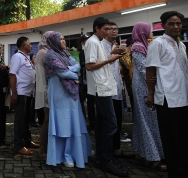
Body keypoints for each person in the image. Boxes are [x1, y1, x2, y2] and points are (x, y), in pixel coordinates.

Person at [146, 11, 188, 178]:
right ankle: (176, 172)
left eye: (178, 23)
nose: (175, 27)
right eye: (171, 24)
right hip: (167, 98)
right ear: (163, 25)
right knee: (171, 138)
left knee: (185, 136)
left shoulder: (181, 45)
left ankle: (186, 168)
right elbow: (150, 69)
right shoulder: (157, 44)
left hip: (184, 97)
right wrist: (150, 94)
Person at [85, 17, 127, 177]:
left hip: (104, 88)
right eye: (106, 29)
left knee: (104, 124)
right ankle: (106, 160)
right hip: (99, 89)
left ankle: (102, 157)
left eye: (111, 29)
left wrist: (112, 54)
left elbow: (99, 59)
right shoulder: (93, 42)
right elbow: (89, 66)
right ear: (97, 28)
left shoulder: (98, 42)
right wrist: (110, 59)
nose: (109, 32)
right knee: (110, 124)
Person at [44, 31, 92, 168]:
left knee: (73, 121)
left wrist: (71, 70)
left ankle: (75, 153)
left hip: (71, 94)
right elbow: (63, 73)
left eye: (64, 38)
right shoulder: (50, 55)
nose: (64, 41)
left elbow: (77, 65)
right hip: (59, 94)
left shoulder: (65, 54)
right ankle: (65, 155)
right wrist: (76, 75)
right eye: (61, 39)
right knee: (63, 122)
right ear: (54, 41)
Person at [130, 22, 165, 171]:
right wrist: (160, 77)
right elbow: (145, 70)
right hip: (143, 88)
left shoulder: (144, 46)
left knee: (149, 121)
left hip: (146, 87)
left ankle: (150, 154)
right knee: (147, 121)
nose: (151, 32)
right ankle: (152, 157)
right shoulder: (137, 47)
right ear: (142, 31)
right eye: (149, 30)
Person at [102, 21, 133, 159]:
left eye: (115, 29)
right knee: (110, 123)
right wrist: (111, 54)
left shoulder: (115, 45)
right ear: (104, 31)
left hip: (117, 89)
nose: (113, 31)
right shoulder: (101, 45)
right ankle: (107, 154)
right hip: (107, 90)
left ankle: (116, 150)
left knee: (118, 121)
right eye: (110, 29)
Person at [9, 36, 39, 156]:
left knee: (27, 119)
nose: (31, 46)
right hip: (20, 93)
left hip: (28, 92)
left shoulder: (25, 57)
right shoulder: (17, 57)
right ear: (23, 45)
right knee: (20, 120)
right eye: (29, 43)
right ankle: (18, 146)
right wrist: (14, 93)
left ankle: (27, 141)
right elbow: (12, 75)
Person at [35, 31, 53, 160]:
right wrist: (45, 92)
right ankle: (42, 150)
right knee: (47, 121)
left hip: (54, 91)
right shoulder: (42, 53)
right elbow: (41, 76)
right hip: (47, 91)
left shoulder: (53, 52)